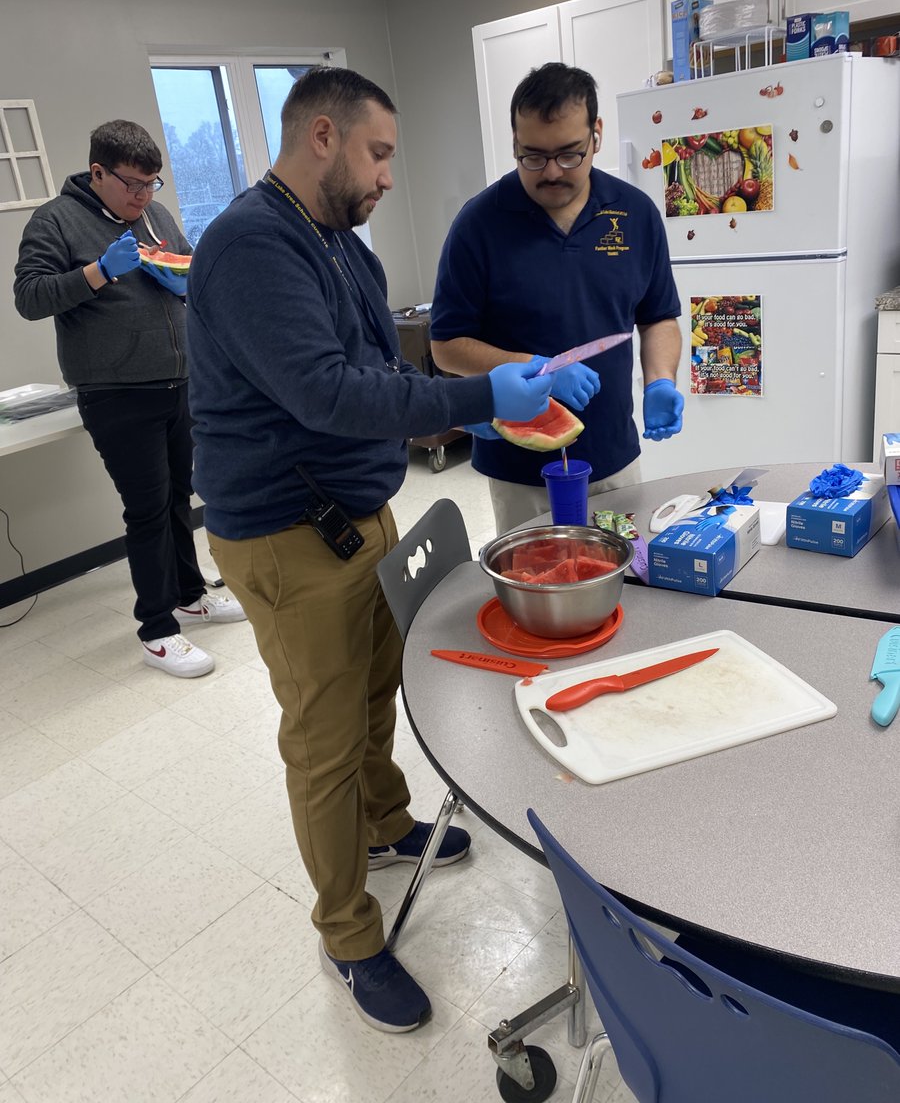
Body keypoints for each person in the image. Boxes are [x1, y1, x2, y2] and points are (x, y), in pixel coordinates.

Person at [186, 66, 554, 1035]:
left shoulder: (339, 242)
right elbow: (332, 395)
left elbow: (382, 368)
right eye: (379, 152)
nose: (390, 174)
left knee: (379, 683)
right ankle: (348, 932)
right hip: (285, 537)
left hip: (360, 511)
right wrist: (484, 402)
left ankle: (388, 827)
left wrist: (500, 376)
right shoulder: (249, 247)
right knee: (322, 738)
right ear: (321, 135)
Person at [14, 119, 245, 679]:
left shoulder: (155, 216)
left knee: (177, 499)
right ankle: (157, 630)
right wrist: (96, 273)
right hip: (114, 392)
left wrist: (183, 278)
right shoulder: (55, 221)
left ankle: (190, 594)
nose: (143, 197)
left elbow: (190, 264)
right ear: (98, 172)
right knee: (145, 509)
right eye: (132, 185)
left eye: (152, 184)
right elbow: (29, 296)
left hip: (178, 380)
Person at [430, 62, 685, 535]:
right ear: (514, 144)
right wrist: (539, 366)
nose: (551, 172)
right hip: (519, 468)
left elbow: (658, 318)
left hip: (614, 458)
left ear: (597, 135)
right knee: (539, 587)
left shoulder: (636, 214)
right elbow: (445, 345)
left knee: (622, 582)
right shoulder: (477, 225)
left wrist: (660, 381)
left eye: (569, 154)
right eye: (532, 157)